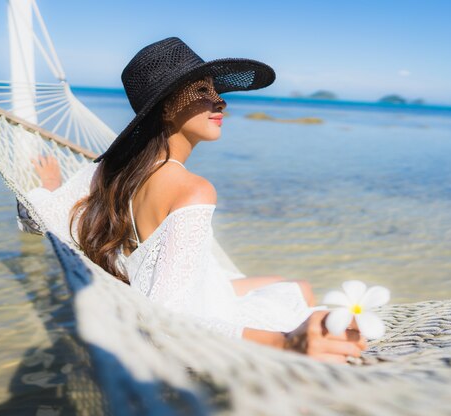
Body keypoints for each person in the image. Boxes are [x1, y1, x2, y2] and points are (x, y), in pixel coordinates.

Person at [27, 37, 367, 363]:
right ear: (164, 109)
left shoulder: (109, 174)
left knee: (293, 285)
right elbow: (168, 318)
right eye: (202, 91)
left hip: (180, 286)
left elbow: (37, 217)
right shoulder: (193, 189)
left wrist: (51, 186)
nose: (220, 102)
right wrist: (285, 343)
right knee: (300, 296)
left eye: (216, 90)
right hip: (196, 321)